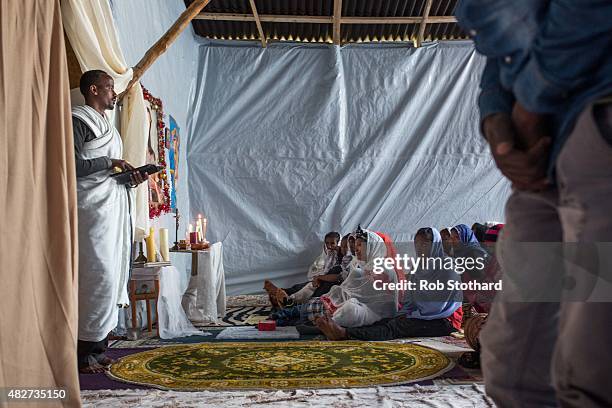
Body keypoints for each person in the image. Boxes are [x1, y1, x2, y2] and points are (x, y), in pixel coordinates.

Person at [456, 2, 612, 406]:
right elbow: (497, 58)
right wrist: (497, 126)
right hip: (542, 157)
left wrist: (531, 104)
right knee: (513, 368)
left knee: (593, 364)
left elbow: (586, 13)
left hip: (595, 123)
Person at [73, 70, 148, 373]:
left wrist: (132, 178)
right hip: (90, 209)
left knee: (114, 275)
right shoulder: (78, 119)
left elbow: (109, 177)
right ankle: (80, 353)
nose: (113, 93)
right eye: (108, 87)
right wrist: (110, 162)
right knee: (97, 275)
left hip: (112, 208)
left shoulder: (110, 129)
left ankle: (98, 347)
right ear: (93, 90)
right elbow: (73, 164)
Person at [315, 227, 463, 340]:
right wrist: (404, 312)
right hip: (421, 314)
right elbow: (410, 297)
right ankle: (334, 328)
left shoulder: (447, 268)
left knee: (395, 328)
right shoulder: (419, 267)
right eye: (417, 244)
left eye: (425, 244)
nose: (419, 248)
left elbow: (439, 305)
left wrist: (412, 314)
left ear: (435, 245)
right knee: (387, 321)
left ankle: (344, 333)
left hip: (445, 320)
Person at [271, 229, 399, 328]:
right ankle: (289, 312)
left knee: (350, 311)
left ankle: (294, 316)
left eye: (361, 245)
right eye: (356, 245)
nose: (357, 249)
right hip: (340, 299)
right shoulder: (360, 264)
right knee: (320, 301)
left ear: (372, 247)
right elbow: (348, 287)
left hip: (370, 311)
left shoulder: (383, 269)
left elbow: (377, 300)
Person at [264, 231, 340, 308]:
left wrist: (319, 278)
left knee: (307, 289)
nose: (329, 246)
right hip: (322, 278)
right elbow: (322, 268)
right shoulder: (328, 254)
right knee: (300, 286)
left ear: (338, 244)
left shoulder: (340, 256)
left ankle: (286, 299)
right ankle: (279, 293)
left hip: (328, 281)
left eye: (332, 243)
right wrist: (317, 277)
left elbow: (334, 274)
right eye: (327, 243)